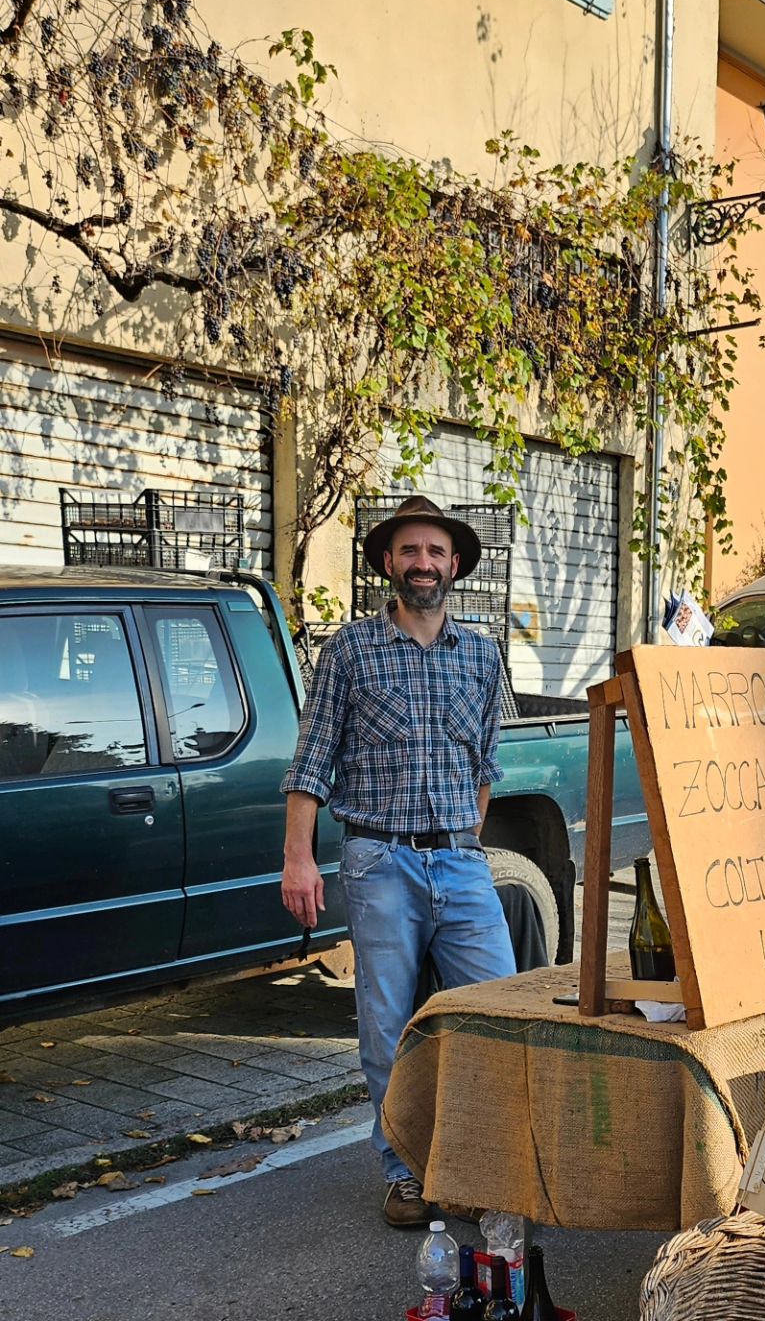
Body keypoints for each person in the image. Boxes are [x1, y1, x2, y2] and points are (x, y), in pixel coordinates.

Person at [280, 495, 517, 1227]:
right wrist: (299, 859)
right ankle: (406, 1172)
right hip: (378, 858)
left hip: (459, 861)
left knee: (500, 1014)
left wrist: (465, 842)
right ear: (388, 563)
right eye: (410, 551)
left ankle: (480, 1164)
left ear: (454, 566)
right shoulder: (349, 651)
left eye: (435, 552)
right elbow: (312, 761)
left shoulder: (482, 652)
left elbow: (486, 763)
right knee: (388, 1028)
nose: (423, 564)